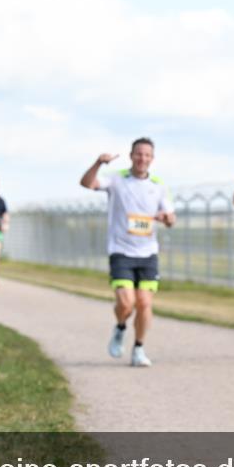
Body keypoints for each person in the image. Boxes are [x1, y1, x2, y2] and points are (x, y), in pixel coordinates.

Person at [79, 138, 175, 367]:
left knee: (144, 304)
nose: (142, 158)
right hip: (121, 251)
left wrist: (166, 218)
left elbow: (171, 218)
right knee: (126, 303)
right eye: (138, 154)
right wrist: (98, 163)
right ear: (131, 155)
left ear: (152, 158)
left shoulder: (158, 185)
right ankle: (121, 327)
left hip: (148, 253)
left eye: (147, 155)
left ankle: (139, 348)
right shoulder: (116, 179)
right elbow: (87, 183)